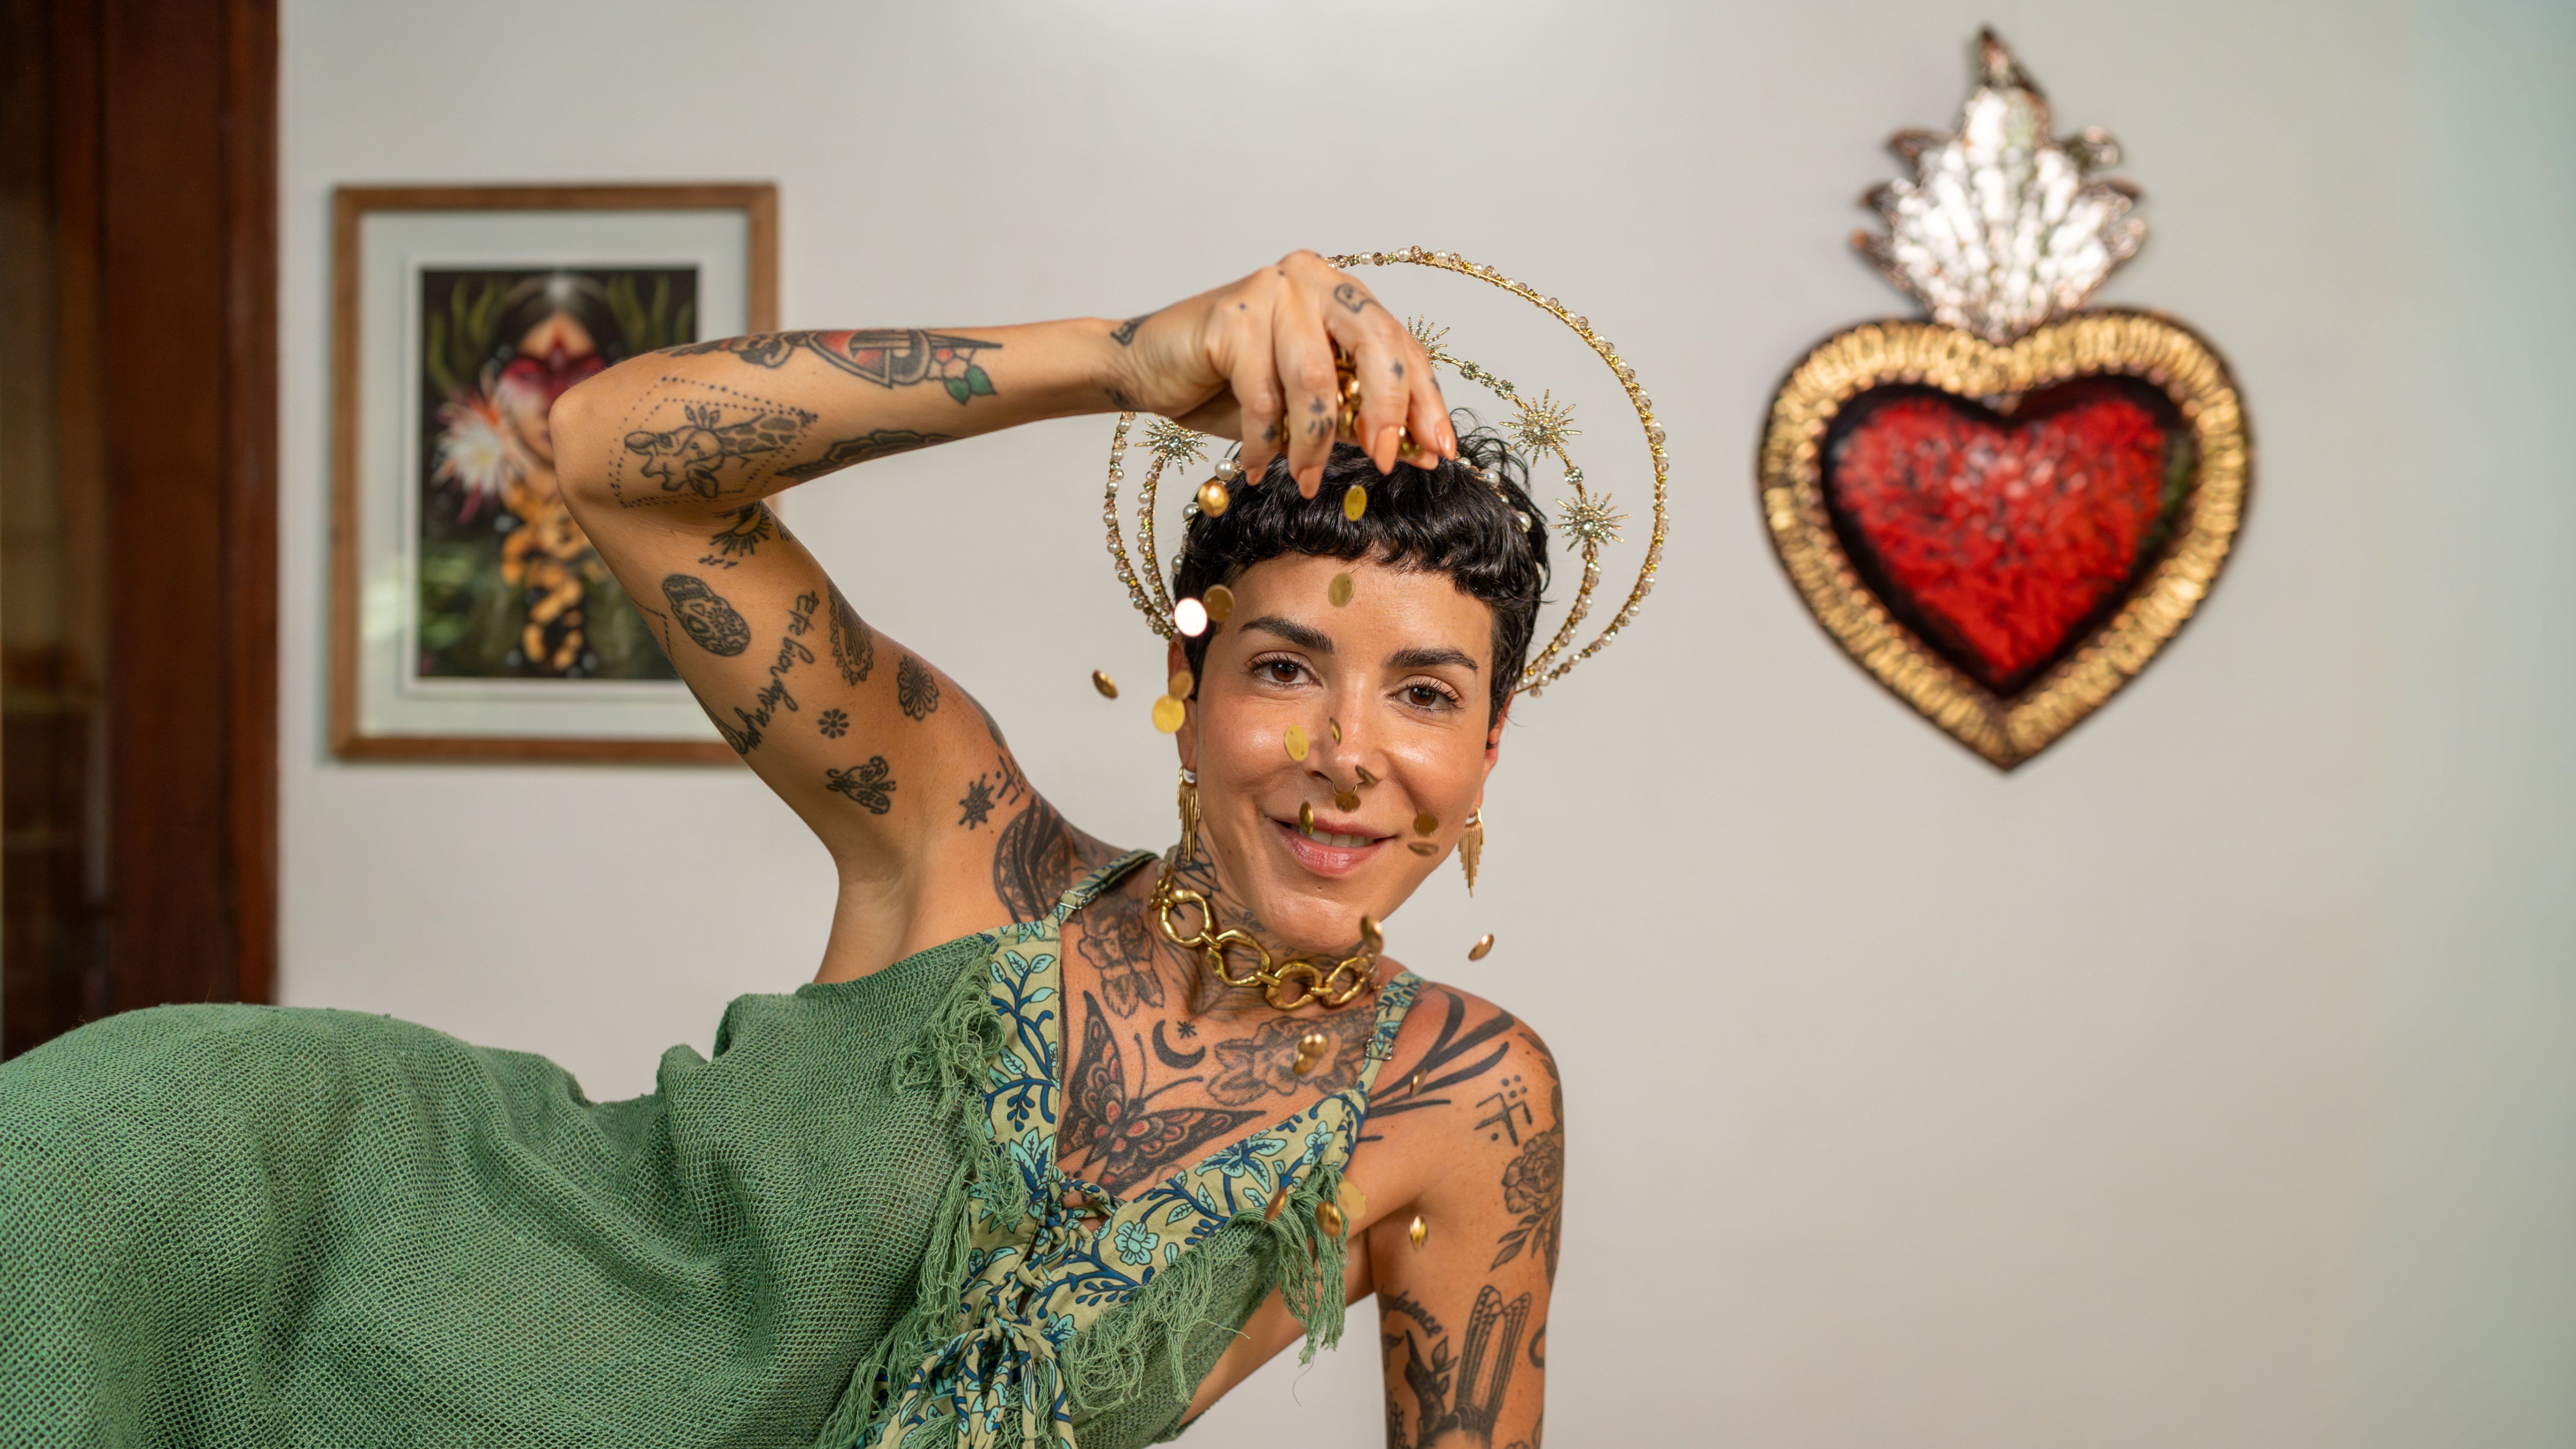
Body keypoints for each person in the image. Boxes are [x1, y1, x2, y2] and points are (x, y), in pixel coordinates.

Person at [0, 252, 1560, 1449]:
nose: (1347, 750)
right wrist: (1120, 357)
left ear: (1489, 744)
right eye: (1284, 667)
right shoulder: (961, 833)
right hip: (253, 1212)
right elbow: (608, 448)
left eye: (1426, 694)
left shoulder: (1462, 1103)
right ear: (1190, 688)